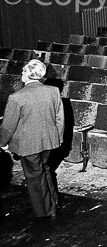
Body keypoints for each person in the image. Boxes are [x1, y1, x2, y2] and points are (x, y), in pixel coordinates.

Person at [0, 59, 64, 219]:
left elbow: (8, 126)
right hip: (49, 141)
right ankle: (54, 201)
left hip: (29, 144)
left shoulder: (17, 97)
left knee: (35, 176)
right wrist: (57, 138)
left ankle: (46, 211)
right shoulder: (53, 91)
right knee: (45, 170)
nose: (21, 73)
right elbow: (59, 118)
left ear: (28, 74)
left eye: (23, 71)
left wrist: (2, 143)